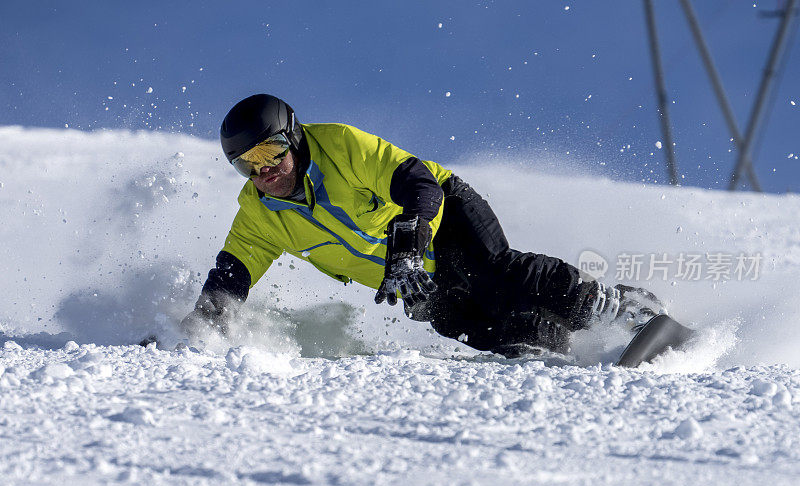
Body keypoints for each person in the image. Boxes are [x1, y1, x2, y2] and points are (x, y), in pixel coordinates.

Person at [180, 94, 663, 355]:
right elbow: (229, 279)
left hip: (444, 213)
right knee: (460, 321)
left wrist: (410, 240)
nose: (263, 172)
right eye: (246, 164)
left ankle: (622, 307)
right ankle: (550, 343)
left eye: (268, 153)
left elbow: (418, 183)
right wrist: (197, 332)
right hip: (412, 274)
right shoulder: (259, 216)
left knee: (495, 271)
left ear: (293, 137)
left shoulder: (341, 147)